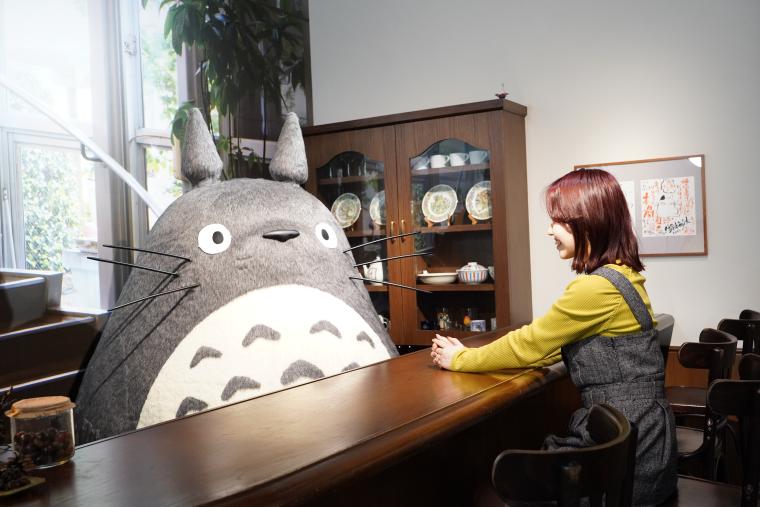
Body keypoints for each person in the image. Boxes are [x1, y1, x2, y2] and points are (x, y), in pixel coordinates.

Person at [432, 168, 677, 506]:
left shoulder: (596, 288)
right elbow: (566, 342)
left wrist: (461, 358)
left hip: (628, 452)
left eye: (557, 221)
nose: (550, 231)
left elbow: (530, 344)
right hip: (646, 437)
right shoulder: (625, 275)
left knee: (485, 493)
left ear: (586, 222)